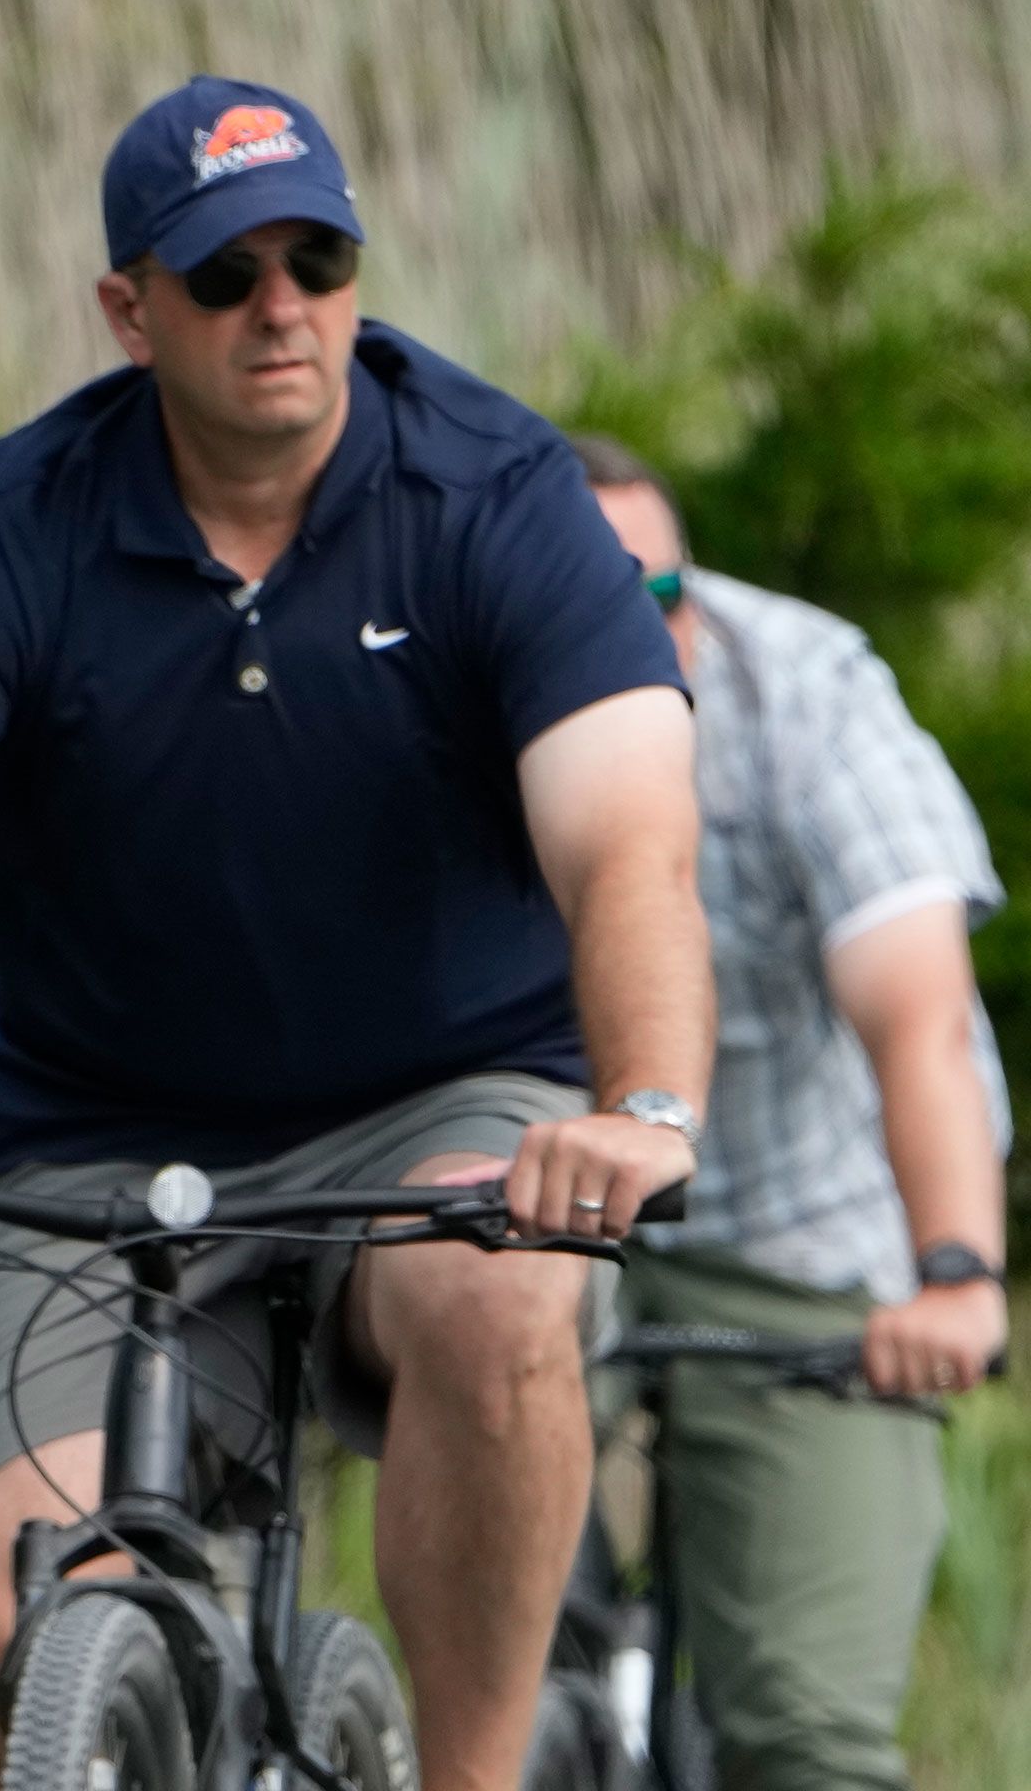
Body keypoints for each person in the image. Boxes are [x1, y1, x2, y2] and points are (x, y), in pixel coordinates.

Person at [0, 76, 715, 1791]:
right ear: (130, 310)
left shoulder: (497, 498)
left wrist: (642, 1108)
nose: (282, 307)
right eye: (224, 274)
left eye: (319, 258)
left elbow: (632, 847)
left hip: (442, 1101)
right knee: (3, 1636)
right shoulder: (10, 538)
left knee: (507, 1319)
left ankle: (474, 1779)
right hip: (106, 1139)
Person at [578, 435, 1009, 1791]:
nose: (640, 639)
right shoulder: (434, 698)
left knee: (805, 1739)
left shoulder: (811, 693)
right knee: (468, 1678)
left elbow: (918, 1014)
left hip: (807, 1232)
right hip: (542, 1228)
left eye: (660, 599)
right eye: (586, 613)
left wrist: (955, 1274)